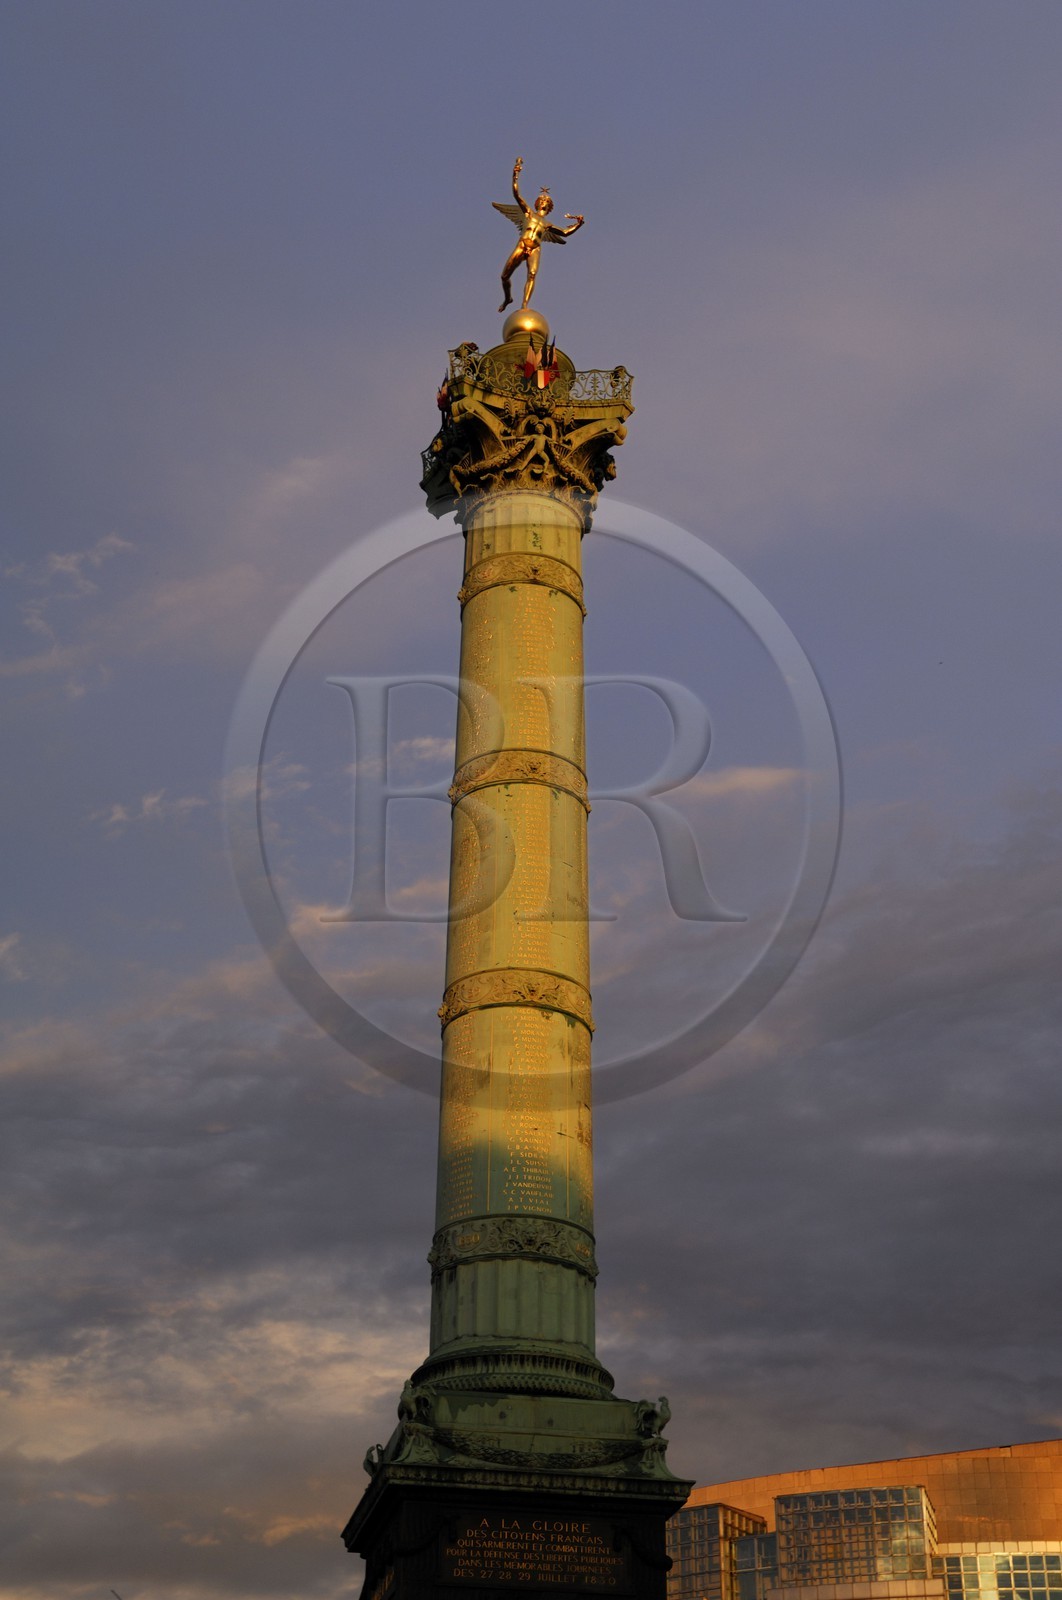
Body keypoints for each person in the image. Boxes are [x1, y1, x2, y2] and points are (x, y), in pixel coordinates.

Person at [494, 156, 585, 312]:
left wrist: (578, 224)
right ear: (537, 203)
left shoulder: (547, 224)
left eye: (546, 201)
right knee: (504, 276)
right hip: (522, 244)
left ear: (549, 207)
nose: (544, 201)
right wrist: (515, 175)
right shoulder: (529, 213)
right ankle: (508, 298)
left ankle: (524, 306)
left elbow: (564, 233)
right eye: (542, 199)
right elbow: (516, 194)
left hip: (535, 249)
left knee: (532, 274)